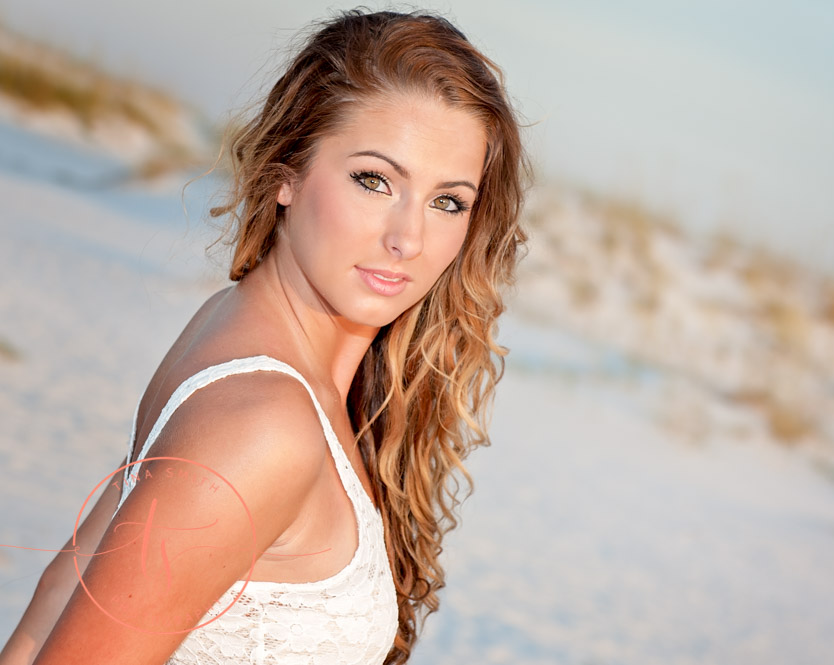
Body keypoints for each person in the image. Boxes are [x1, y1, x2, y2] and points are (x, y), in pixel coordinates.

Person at [0, 9, 527, 665]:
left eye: (447, 201)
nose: (408, 238)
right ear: (289, 171)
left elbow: (58, 596)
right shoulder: (264, 423)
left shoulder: (239, 328)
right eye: (374, 180)